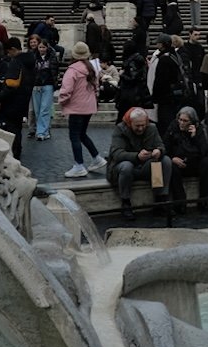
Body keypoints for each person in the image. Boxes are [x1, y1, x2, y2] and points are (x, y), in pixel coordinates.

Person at [108, 106, 172, 222]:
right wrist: (136, 156)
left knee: (165, 160)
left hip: (145, 166)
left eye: (143, 125)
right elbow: (116, 154)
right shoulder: (120, 129)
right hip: (124, 167)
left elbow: (161, 146)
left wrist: (159, 151)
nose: (141, 128)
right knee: (127, 166)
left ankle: (161, 200)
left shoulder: (152, 128)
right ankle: (126, 203)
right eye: (137, 126)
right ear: (130, 123)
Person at [58, 41, 104, 178]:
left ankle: (79, 165)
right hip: (89, 107)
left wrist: (62, 102)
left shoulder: (72, 70)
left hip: (76, 108)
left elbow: (66, 90)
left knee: (74, 136)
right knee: (82, 134)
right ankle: (97, 158)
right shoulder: (91, 68)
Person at [164, 105, 208, 213]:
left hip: (195, 162)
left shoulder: (200, 128)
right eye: (180, 120)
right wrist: (172, 158)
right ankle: (180, 202)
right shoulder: (173, 127)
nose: (181, 123)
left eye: (185, 121)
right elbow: (165, 147)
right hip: (179, 163)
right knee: (171, 166)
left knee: (207, 163)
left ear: (191, 122)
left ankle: (204, 200)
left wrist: (195, 137)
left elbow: (205, 151)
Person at [0, 37, 36, 160]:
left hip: (11, 102)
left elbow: (11, 84)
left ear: (13, 49)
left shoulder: (16, 62)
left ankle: (13, 154)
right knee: (17, 129)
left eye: (9, 52)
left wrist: (0, 98)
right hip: (23, 100)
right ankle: (17, 151)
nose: (8, 55)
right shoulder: (29, 62)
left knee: (10, 129)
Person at [30, 38, 59, 141]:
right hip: (36, 85)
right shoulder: (33, 57)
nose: (42, 49)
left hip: (48, 84)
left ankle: (42, 132)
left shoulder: (52, 57)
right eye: (40, 47)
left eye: (43, 47)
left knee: (45, 109)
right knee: (37, 110)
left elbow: (55, 71)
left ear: (47, 48)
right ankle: (42, 130)